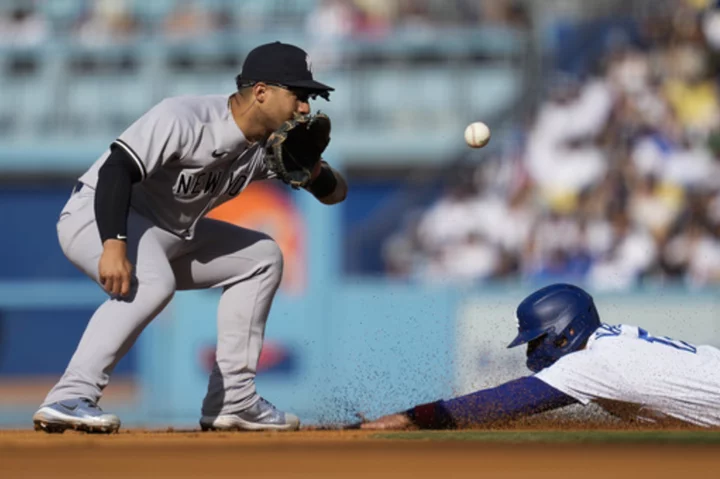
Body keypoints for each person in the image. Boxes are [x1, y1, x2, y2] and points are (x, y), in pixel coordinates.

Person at [32, 42, 347, 434]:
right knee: (154, 282)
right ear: (262, 92)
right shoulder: (185, 116)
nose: (305, 107)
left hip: (170, 235)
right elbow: (116, 170)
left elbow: (336, 194)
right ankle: (69, 396)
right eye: (298, 95)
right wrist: (114, 243)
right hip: (96, 214)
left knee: (262, 257)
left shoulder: (269, 148)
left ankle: (234, 400)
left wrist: (314, 171)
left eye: (309, 98)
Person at [358, 283, 720, 430]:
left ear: (566, 333)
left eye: (537, 340)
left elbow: (499, 404)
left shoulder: (591, 364)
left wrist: (412, 417)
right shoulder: (610, 339)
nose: (533, 351)